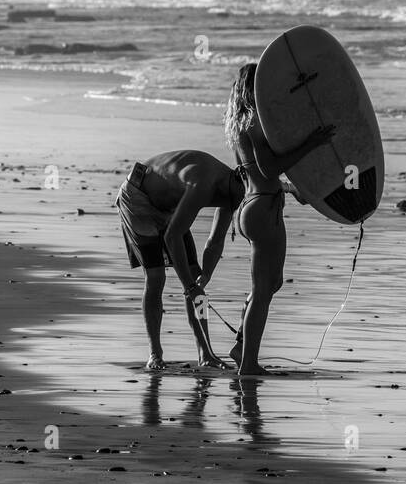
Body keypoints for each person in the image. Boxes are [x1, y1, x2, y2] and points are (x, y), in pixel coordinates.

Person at [223, 63, 335, 377]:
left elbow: (259, 174)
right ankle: (248, 364)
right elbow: (270, 170)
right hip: (263, 210)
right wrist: (312, 143)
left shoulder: (238, 126)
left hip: (254, 205)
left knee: (271, 284)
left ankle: (241, 347)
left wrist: (292, 188)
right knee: (262, 290)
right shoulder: (255, 124)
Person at [115, 150, 244, 371]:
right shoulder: (203, 183)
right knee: (156, 277)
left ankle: (206, 353)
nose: (236, 205)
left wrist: (203, 279)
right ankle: (155, 354)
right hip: (137, 195)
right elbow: (172, 236)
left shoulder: (234, 190)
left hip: (168, 205)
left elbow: (215, 241)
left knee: (195, 280)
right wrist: (190, 288)